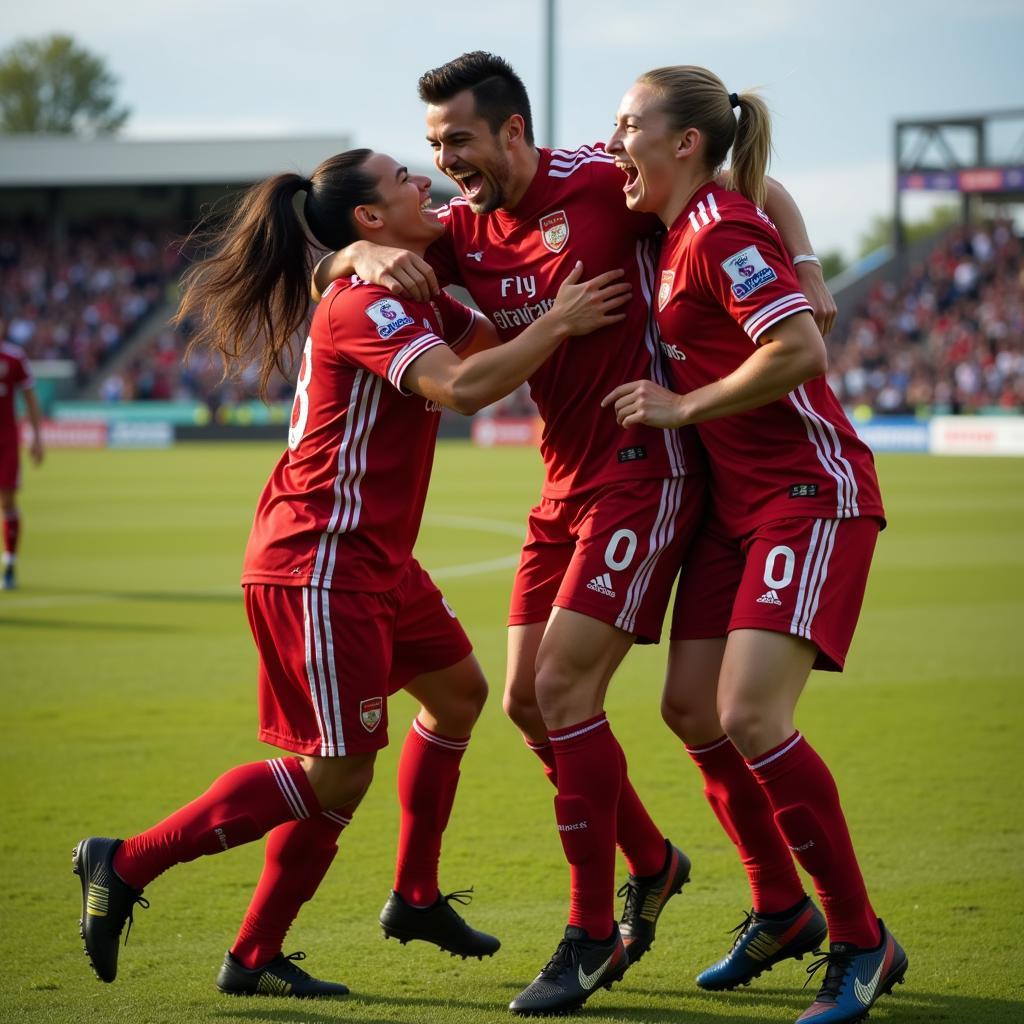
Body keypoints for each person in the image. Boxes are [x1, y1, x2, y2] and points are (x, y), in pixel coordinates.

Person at [313, 51, 838, 1017]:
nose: (444, 164)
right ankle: (737, 888)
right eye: (431, 147)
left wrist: (804, 271)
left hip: (647, 468)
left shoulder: (603, 178)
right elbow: (358, 265)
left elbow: (758, 186)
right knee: (524, 701)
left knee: (565, 688)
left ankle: (593, 930)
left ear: (513, 130)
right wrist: (348, 254)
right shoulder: (464, 232)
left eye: (457, 141)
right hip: (563, 483)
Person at [72, 147, 630, 998]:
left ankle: (405, 898)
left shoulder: (405, 287)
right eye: (405, 178)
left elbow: (498, 348)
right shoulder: (364, 304)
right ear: (371, 218)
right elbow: (467, 385)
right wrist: (557, 319)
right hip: (320, 562)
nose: (424, 180)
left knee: (459, 694)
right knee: (334, 771)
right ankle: (127, 862)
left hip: (375, 561)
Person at [603, 66, 908, 1024]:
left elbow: (803, 348)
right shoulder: (684, 217)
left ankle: (863, 940)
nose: (615, 142)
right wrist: (343, 260)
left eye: (628, 125)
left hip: (807, 494)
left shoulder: (719, 229)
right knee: (691, 707)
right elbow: (762, 186)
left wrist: (684, 404)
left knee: (750, 713)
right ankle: (781, 908)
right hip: (739, 507)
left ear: (684, 142)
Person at [0, 340, 43, 590]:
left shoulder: (13, 357)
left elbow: (29, 398)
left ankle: (9, 565)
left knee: (7, 502)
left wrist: (37, 437)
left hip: (6, 442)